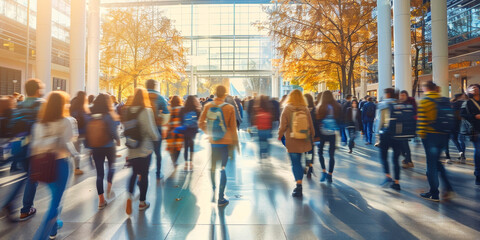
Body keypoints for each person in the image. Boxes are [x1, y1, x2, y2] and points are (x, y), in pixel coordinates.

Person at [30, 91, 79, 240]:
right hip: (60, 164)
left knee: (54, 197)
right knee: (56, 202)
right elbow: (68, 142)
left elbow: (34, 146)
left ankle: (53, 228)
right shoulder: (66, 121)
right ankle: (40, 236)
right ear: (62, 105)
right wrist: (75, 153)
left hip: (42, 164)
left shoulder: (38, 124)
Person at [2, 79, 45, 221]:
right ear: (38, 89)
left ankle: (10, 202)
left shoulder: (19, 105)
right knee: (32, 177)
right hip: (32, 145)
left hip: (18, 144)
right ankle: (26, 209)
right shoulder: (40, 104)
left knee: (26, 175)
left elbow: (12, 124)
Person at [199, 85, 238, 206]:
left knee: (212, 167)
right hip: (225, 143)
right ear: (225, 94)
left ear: (215, 93)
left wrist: (209, 132)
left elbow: (200, 123)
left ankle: (213, 188)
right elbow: (233, 127)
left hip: (213, 142)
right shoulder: (230, 108)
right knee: (223, 168)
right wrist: (235, 143)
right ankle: (221, 197)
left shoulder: (208, 106)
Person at [418, 81, 455, 201]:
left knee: (431, 165)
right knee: (437, 162)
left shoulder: (424, 101)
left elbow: (422, 121)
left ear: (426, 88)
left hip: (431, 136)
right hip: (444, 135)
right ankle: (448, 188)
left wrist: (421, 135)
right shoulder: (443, 99)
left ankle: (434, 193)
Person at [125, 88, 160, 214]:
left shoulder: (128, 111)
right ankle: (142, 202)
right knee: (144, 175)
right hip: (144, 148)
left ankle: (129, 196)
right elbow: (151, 130)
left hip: (132, 148)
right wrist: (157, 137)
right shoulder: (146, 110)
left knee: (134, 173)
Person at [87, 93, 121, 209]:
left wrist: (90, 147)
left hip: (96, 147)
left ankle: (101, 200)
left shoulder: (91, 115)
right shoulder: (108, 115)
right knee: (112, 166)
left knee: (99, 174)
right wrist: (118, 140)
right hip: (109, 146)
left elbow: (87, 132)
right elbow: (113, 131)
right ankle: (109, 186)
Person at [279, 89, 314, 197]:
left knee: (296, 163)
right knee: (302, 161)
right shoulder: (305, 109)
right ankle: (307, 166)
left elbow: (283, 125)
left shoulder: (287, 108)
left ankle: (299, 186)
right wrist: (312, 135)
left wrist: (279, 135)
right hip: (304, 139)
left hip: (292, 140)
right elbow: (310, 125)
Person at [376, 88, 402, 191]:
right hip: (398, 135)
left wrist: (377, 134)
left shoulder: (383, 105)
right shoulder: (399, 104)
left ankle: (387, 176)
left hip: (386, 134)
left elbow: (380, 121)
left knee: (384, 157)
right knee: (396, 160)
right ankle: (397, 182)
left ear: (387, 94)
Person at [146, 79, 170, 180]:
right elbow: (166, 113)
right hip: (156, 128)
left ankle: (143, 175)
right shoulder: (160, 97)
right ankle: (158, 173)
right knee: (157, 152)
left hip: (144, 129)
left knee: (146, 152)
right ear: (155, 86)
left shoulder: (141, 96)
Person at [316, 91, 342, 183]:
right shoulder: (336, 106)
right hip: (332, 133)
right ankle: (330, 175)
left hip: (322, 133)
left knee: (320, 153)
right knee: (331, 155)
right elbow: (339, 120)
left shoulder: (320, 107)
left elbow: (317, 121)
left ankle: (324, 171)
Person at [461, 84, 480, 186]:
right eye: (472, 88)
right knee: (478, 152)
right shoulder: (467, 103)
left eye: (476, 87)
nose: (475, 89)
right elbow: (462, 115)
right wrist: (475, 116)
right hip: (476, 130)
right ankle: (478, 174)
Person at [69, 91, 90, 175]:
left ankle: (76, 168)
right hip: (83, 132)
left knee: (76, 150)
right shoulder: (83, 107)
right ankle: (77, 168)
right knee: (87, 148)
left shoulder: (73, 106)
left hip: (74, 132)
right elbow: (87, 120)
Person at [179, 95, 201, 170]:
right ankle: (191, 163)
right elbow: (199, 119)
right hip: (193, 130)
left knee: (185, 146)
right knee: (191, 146)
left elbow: (180, 119)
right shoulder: (196, 109)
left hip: (185, 130)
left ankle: (186, 163)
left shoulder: (183, 109)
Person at [398, 90, 417, 168]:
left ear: (407, 96)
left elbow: (415, 114)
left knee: (405, 144)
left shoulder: (411, 103)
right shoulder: (399, 103)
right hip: (400, 127)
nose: (402, 97)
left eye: (403, 95)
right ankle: (407, 159)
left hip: (407, 126)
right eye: (401, 95)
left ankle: (408, 161)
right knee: (401, 145)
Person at [253, 95, 274, 159]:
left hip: (260, 129)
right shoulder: (269, 108)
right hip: (267, 128)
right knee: (267, 141)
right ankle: (266, 153)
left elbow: (255, 120)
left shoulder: (257, 108)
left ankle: (261, 154)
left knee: (261, 142)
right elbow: (271, 119)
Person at [448, 93, 467, 164]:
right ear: (460, 97)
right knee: (462, 140)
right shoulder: (464, 103)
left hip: (453, 123)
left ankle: (460, 152)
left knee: (454, 138)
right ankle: (463, 154)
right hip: (462, 123)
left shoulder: (452, 103)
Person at [304, 93, 319, 178]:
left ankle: (307, 164)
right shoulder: (315, 110)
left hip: (303, 133)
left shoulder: (302, 109)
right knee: (311, 151)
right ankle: (310, 166)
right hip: (312, 134)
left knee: (305, 151)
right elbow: (317, 123)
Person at [166, 96, 184, 165]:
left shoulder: (169, 109)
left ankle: (173, 160)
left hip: (171, 131)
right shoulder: (182, 109)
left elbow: (167, 121)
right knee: (178, 146)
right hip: (180, 131)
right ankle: (175, 160)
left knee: (171, 147)